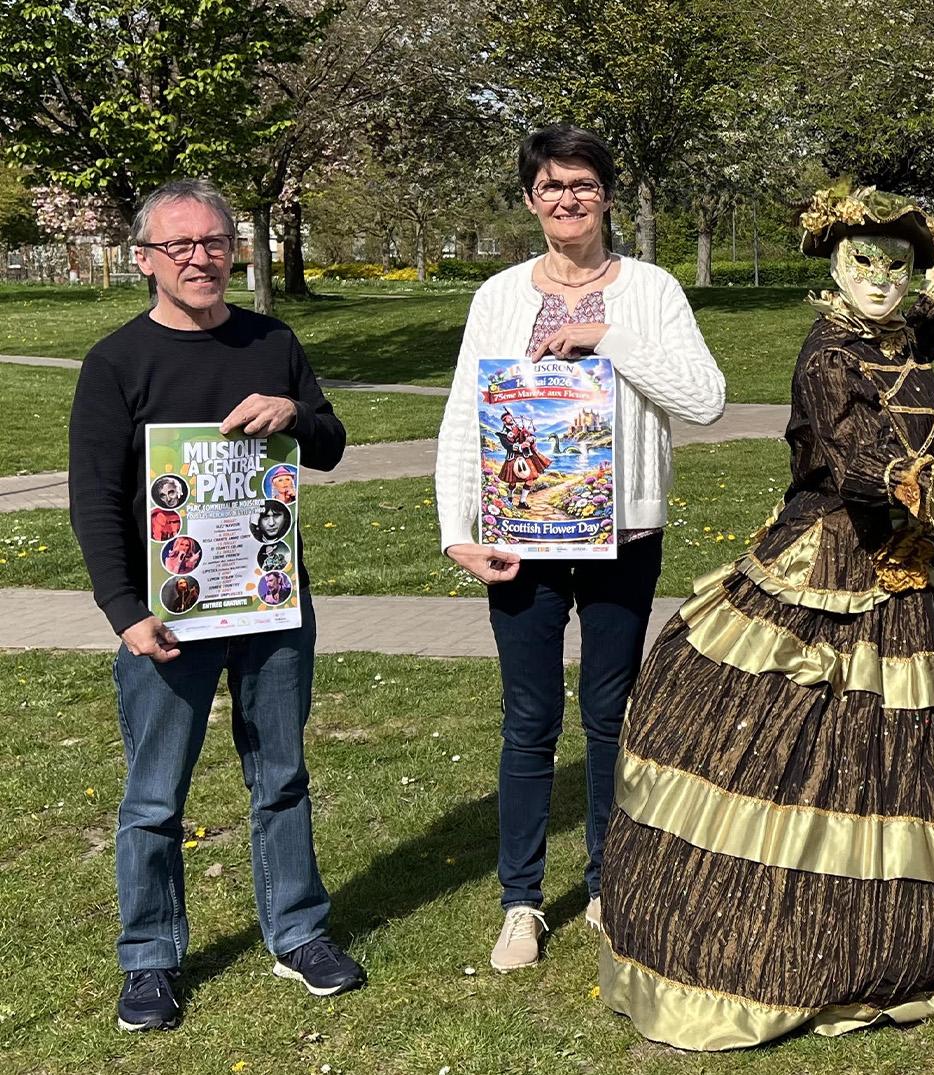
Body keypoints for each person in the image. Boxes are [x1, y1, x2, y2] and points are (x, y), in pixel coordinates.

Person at [597, 185, 934, 1050]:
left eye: (898, 262)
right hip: (838, 549)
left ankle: (901, 930)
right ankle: (789, 945)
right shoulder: (826, 350)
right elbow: (857, 457)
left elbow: (915, 342)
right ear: (835, 268)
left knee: (902, 744)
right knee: (811, 744)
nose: (881, 276)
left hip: (910, 552)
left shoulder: (888, 331)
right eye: (863, 261)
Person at [67, 178, 362, 1034]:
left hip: (269, 601)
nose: (201, 259)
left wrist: (297, 413)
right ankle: (150, 957)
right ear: (146, 260)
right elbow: (92, 499)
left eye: (215, 242)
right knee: (155, 794)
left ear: (236, 247)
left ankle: (298, 931)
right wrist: (125, 611)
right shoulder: (116, 362)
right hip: (168, 615)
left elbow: (334, 443)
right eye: (181, 246)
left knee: (282, 775)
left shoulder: (273, 339)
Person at [434, 124, 725, 972]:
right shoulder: (496, 296)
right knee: (529, 719)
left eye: (584, 185)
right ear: (531, 200)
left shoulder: (652, 291)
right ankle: (521, 902)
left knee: (610, 712)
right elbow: (464, 413)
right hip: (520, 539)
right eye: (551, 186)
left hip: (621, 534)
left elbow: (705, 399)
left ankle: (607, 880)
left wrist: (609, 340)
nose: (568, 199)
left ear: (606, 195)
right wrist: (458, 530)